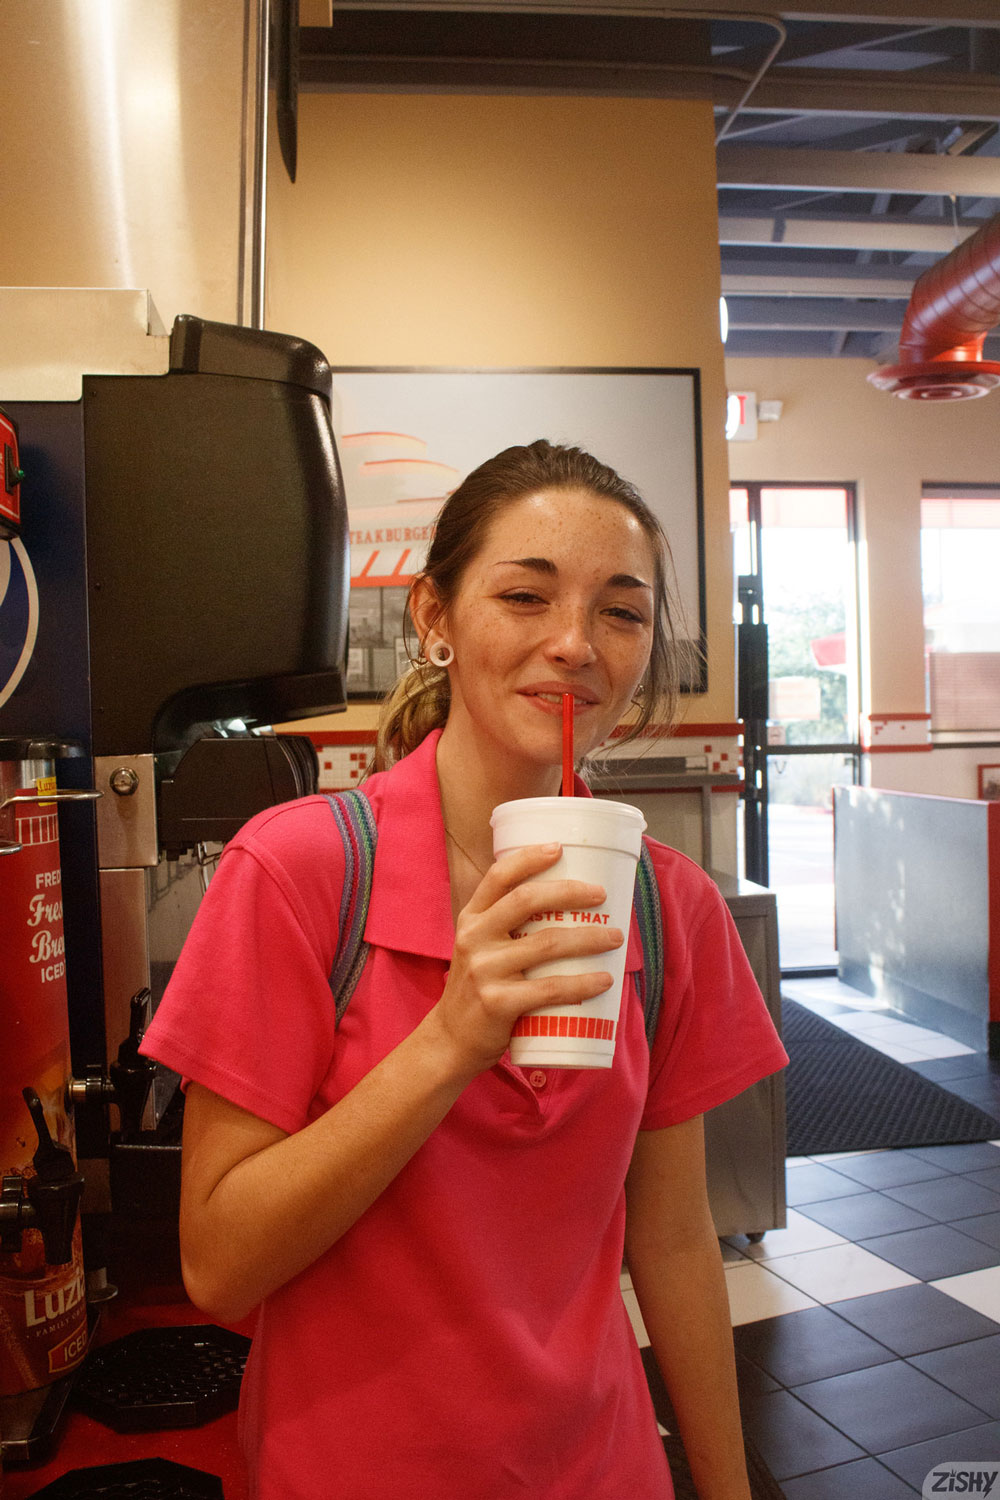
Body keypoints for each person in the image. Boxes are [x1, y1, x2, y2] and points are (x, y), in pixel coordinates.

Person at [140, 440, 787, 1500]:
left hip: (601, 1469)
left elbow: (671, 1243)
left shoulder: (671, 908)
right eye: (525, 596)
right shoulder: (300, 872)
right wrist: (449, 1039)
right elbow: (219, 1265)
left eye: (620, 613)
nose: (574, 644)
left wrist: (724, 1489)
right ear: (434, 618)